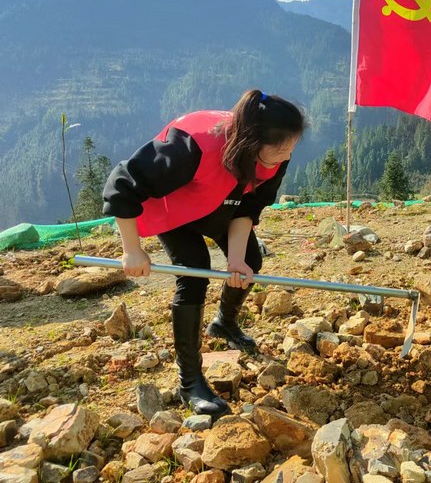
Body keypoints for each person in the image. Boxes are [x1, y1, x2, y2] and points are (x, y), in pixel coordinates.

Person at [103, 90, 305, 417]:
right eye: (281, 149)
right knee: (195, 271)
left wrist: (237, 260)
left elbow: (248, 205)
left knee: (251, 262)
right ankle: (190, 380)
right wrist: (132, 250)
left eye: (292, 147)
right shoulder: (192, 145)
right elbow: (122, 182)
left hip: (219, 205)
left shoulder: (274, 155)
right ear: (251, 141)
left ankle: (225, 323)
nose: (287, 156)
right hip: (174, 210)